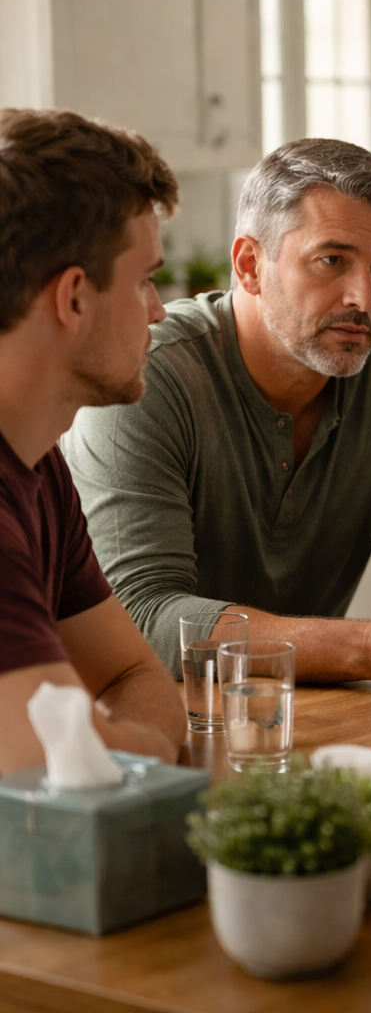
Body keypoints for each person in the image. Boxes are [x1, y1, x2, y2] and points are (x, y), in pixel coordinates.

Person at [63, 138, 371, 694]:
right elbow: (141, 615)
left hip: (313, 713)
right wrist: (369, 648)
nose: (365, 298)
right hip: (143, 713)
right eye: (333, 260)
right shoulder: (151, 375)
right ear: (251, 266)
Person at [0, 108, 187, 773]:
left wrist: (117, 750)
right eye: (144, 279)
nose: (160, 309)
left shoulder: (37, 460)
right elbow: (54, 770)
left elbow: (134, 674)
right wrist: (129, 753)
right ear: (73, 298)